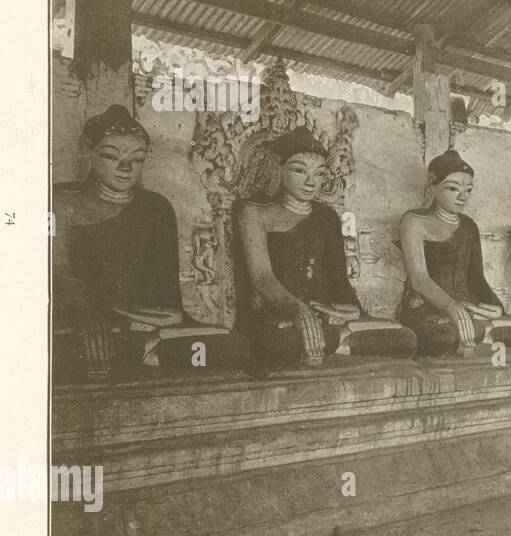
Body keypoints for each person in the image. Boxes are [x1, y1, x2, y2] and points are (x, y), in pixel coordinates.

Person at [54, 105, 248, 379]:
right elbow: (58, 276)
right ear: (88, 150)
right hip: (86, 322)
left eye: (137, 159)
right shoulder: (59, 202)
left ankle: (146, 353)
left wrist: (168, 318)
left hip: (144, 327)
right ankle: (147, 355)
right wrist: (88, 313)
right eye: (111, 156)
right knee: (63, 349)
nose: (125, 167)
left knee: (233, 346)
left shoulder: (156, 207)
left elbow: (165, 292)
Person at [235, 126, 415, 373]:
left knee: (404, 338)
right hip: (278, 315)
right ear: (278, 167)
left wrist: (348, 307)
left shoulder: (327, 217)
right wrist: (297, 310)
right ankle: (336, 344)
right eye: (300, 170)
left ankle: (330, 343)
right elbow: (262, 277)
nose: (311, 182)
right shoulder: (254, 213)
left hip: (325, 317)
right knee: (282, 343)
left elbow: (338, 279)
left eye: (319, 174)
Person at [397, 148, 511, 355]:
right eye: (453, 189)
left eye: (467, 190)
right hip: (429, 303)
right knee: (445, 336)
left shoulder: (468, 226)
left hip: (469, 303)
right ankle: (478, 338)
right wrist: (452, 308)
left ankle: (480, 335)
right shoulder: (414, 221)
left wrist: (494, 306)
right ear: (432, 183)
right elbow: (420, 278)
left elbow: (476, 278)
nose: (462, 196)